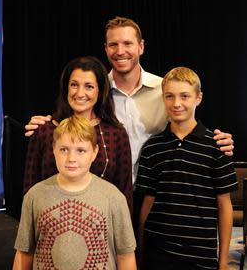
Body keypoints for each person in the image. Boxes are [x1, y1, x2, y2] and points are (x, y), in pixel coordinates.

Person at [24, 16, 234, 232]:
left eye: (127, 43)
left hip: (155, 196)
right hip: (102, 197)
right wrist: (44, 124)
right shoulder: (96, 92)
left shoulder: (165, 90)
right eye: (113, 44)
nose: (120, 50)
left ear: (141, 47)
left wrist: (217, 140)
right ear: (106, 49)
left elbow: (187, 124)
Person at [8, 115, 137, 270]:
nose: (71, 158)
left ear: (95, 153)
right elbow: (24, 253)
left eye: (80, 150)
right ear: (54, 150)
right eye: (64, 149)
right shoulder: (35, 196)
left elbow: (126, 257)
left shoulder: (113, 198)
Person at [135, 67, 238, 270]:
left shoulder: (217, 146)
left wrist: (223, 265)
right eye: (169, 96)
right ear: (163, 98)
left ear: (198, 98)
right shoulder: (153, 148)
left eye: (184, 96)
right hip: (159, 253)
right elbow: (147, 203)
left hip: (200, 256)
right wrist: (140, 257)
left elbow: (224, 206)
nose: (177, 103)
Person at [24, 55, 133, 214]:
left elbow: (125, 193)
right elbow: (30, 188)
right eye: (74, 85)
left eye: (88, 86)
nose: (80, 93)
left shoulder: (116, 134)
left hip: (101, 228)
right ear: (66, 88)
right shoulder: (44, 130)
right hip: (51, 224)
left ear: (100, 91)